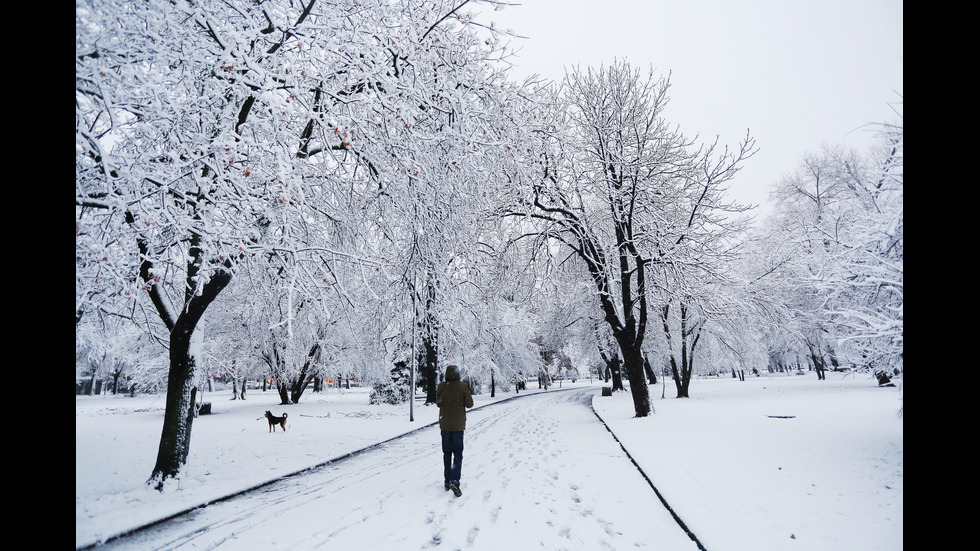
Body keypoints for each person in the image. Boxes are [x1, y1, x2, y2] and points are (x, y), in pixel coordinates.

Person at [436, 364, 473, 497]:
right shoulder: (462, 386)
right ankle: (455, 481)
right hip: (458, 426)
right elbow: (470, 404)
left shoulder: (441, 386)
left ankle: (447, 481)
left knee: (446, 453)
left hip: (445, 425)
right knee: (458, 454)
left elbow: (438, 403)